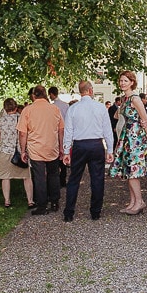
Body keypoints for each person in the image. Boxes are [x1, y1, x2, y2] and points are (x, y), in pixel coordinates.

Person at [60, 81, 114, 222]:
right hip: (96, 144)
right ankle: (95, 212)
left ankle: (69, 212)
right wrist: (110, 149)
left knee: (74, 179)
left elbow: (68, 131)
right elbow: (107, 130)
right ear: (91, 90)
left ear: (80, 91)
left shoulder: (73, 109)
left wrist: (66, 151)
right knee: (97, 178)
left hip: (79, 145)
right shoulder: (100, 107)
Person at [109, 70, 147, 215]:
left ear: (132, 83)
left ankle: (139, 202)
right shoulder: (125, 99)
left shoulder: (135, 99)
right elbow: (117, 116)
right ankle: (133, 202)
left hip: (136, 138)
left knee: (133, 171)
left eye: (125, 81)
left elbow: (145, 120)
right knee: (128, 170)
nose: (122, 83)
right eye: (121, 81)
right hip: (127, 136)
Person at [17, 85, 64, 215]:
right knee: (53, 175)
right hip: (52, 147)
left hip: (36, 148)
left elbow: (22, 133)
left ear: (34, 95)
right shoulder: (55, 109)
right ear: (46, 94)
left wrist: (23, 150)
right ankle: (54, 201)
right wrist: (61, 147)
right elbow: (61, 130)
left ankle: (42, 205)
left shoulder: (28, 110)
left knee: (39, 177)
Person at [0, 98, 33, 208]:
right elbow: (26, 135)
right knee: (26, 177)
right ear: (16, 108)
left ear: (5, 109)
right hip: (20, 151)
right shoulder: (21, 119)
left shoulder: (0, 121)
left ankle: (7, 201)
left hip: (5, 151)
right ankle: (30, 200)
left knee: (5, 177)